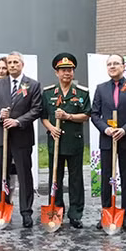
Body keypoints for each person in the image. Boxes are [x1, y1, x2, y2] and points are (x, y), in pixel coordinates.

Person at [0, 51, 43, 228]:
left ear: (22, 65)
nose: (12, 65)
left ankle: (26, 212)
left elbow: (36, 109)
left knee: (24, 175)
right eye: (9, 62)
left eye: (15, 62)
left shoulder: (32, 85)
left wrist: (18, 121)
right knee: (1, 174)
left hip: (22, 137)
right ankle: (3, 205)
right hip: (1, 138)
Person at [91, 54, 126, 232]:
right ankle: (106, 212)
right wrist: (105, 129)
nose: (112, 66)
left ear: (123, 66)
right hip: (107, 139)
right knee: (107, 176)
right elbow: (94, 114)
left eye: (116, 63)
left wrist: (125, 130)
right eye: (109, 64)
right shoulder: (101, 89)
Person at [41, 53, 91, 229]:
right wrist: (51, 127)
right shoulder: (48, 93)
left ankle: (76, 213)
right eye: (63, 70)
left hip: (74, 141)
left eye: (69, 70)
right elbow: (43, 117)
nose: (66, 73)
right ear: (56, 73)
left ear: (73, 72)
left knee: (76, 178)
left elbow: (86, 115)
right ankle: (56, 208)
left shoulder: (82, 93)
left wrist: (68, 116)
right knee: (55, 177)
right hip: (55, 140)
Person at [0, 57, 17, 196]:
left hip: (15, 134)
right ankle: (2, 199)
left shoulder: (14, 87)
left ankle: (10, 196)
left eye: (4, 68)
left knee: (12, 169)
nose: (1, 71)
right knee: (0, 171)